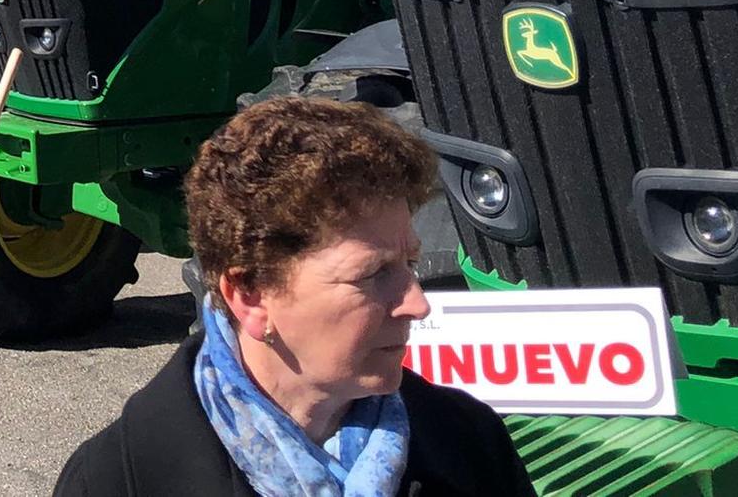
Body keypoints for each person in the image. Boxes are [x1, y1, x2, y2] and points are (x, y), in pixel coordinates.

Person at [54, 96, 534, 497]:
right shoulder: (115, 483)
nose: (417, 303)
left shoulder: (468, 445)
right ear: (251, 295)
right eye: (372, 274)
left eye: (409, 264)